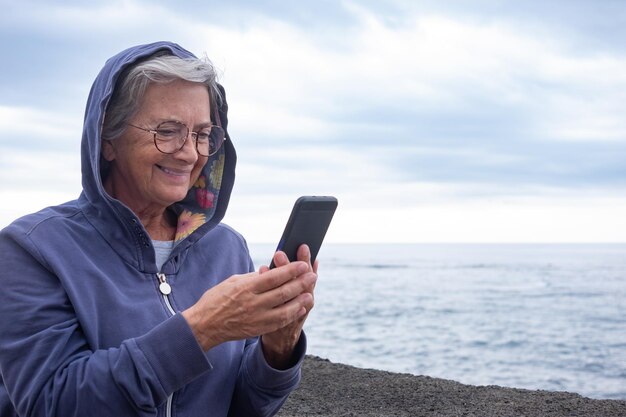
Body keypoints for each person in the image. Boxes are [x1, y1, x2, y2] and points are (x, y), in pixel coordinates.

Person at [0, 41, 317, 417]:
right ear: (107, 140)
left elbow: (245, 407)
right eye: (168, 131)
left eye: (203, 134)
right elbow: (53, 404)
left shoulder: (226, 247)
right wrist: (201, 329)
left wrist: (278, 347)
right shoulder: (32, 249)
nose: (190, 152)